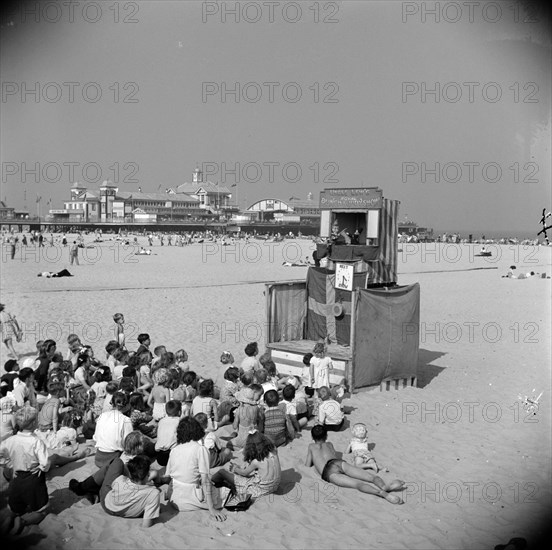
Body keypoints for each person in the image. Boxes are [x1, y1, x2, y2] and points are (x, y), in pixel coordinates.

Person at [305, 425, 404, 504]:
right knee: (371, 477)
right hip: (337, 462)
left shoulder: (311, 446)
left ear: (312, 437)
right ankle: (384, 486)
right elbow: (333, 454)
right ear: (326, 436)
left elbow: (307, 465)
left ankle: (384, 494)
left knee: (358, 484)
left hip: (328, 472)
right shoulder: (329, 444)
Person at [156, 417, 226, 521]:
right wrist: (211, 509)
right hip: (192, 497)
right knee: (226, 493)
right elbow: (205, 481)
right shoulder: (200, 449)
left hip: (175, 499)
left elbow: (169, 476)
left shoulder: (174, 450)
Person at [0, 407, 51, 533]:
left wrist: (8, 464)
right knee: (41, 511)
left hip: (16, 479)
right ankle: (23, 521)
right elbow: (45, 461)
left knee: (15, 508)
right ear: (34, 423)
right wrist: (42, 467)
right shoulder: (36, 441)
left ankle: (9, 520)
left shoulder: (10, 441)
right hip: (33, 479)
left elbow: (1, 455)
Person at [212, 429, 281, 501]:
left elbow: (244, 473)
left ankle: (211, 482)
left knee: (222, 472)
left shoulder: (256, 462)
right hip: (274, 486)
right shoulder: (274, 450)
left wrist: (235, 468)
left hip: (259, 489)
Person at [93, 392, 133, 467]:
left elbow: (95, 438)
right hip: (113, 459)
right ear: (127, 405)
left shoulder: (102, 415)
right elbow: (129, 444)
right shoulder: (125, 419)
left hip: (99, 457)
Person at [155, 400, 181, 466]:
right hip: (172, 455)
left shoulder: (161, 421)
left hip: (160, 456)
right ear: (179, 412)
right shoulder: (179, 421)